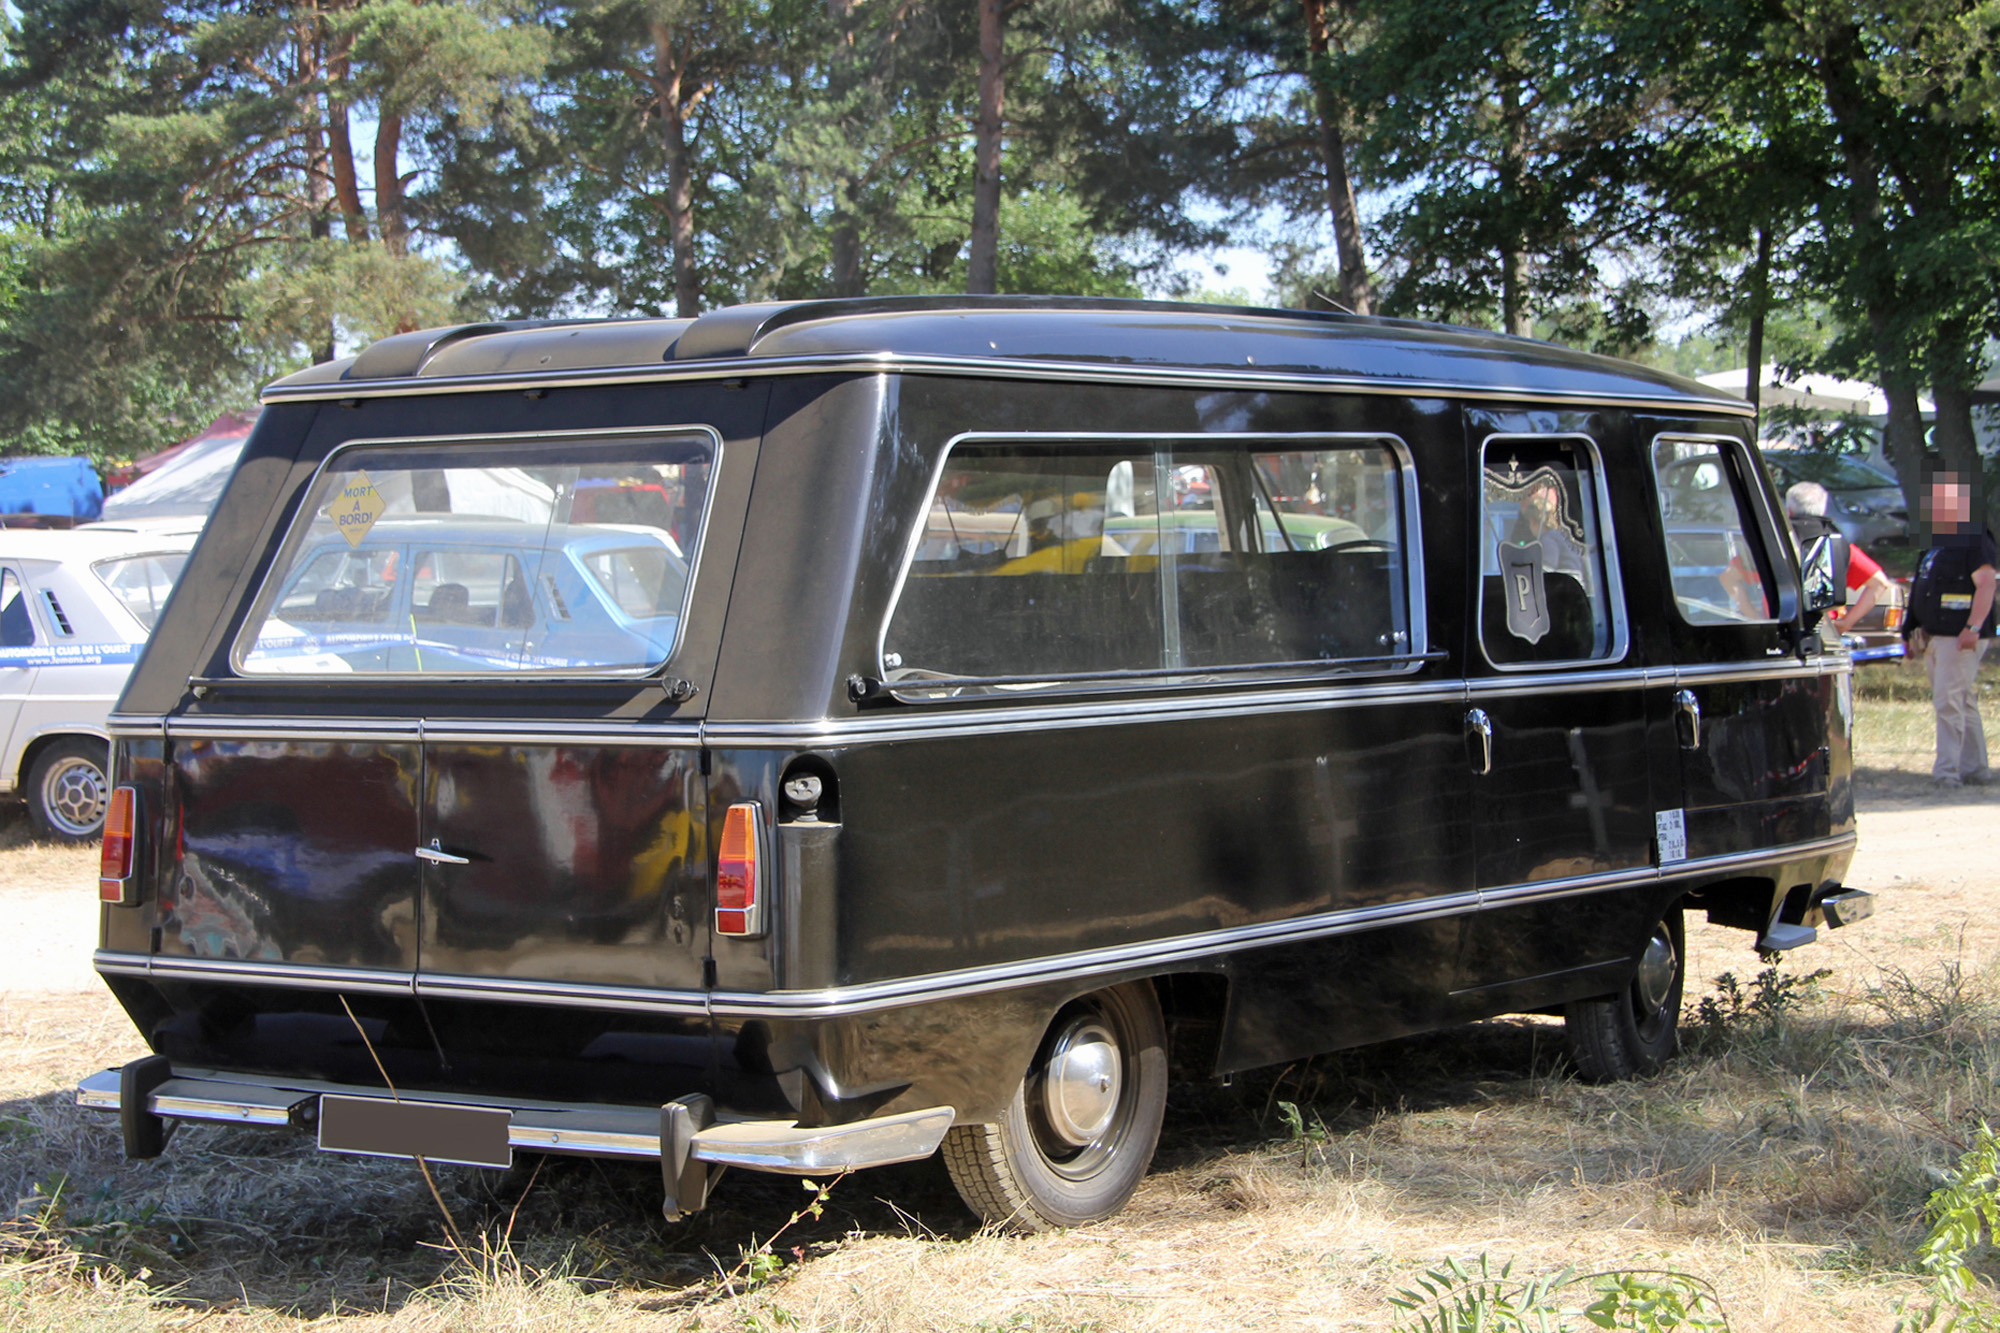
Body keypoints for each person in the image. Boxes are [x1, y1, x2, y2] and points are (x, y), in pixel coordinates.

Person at [1902, 468, 1998, 787]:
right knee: (1961, 700)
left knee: (1948, 702)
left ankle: (1947, 772)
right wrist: (1910, 632)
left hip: (1960, 637)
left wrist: (1972, 627)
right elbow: (1922, 590)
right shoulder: (1936, 544)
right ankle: (1975, 767)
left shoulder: (1975, 540)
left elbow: (1986, 585)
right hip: (1935, 636)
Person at [1785, 481, 1893, 627]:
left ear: (1789, 510)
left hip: (1780, 623)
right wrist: (1847, 622)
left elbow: (1742, 579)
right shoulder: (1839, 544)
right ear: (1823, 509)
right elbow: (1880, 583)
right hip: (1823, 628)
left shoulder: (1777, 541)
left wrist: (1753, 613)